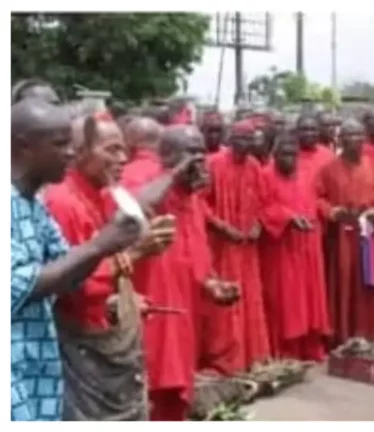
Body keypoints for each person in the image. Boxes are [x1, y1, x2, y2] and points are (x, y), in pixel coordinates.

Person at [11, 99, 142, 421]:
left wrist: (117, 246)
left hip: (37, 364)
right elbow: (20, 286)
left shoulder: (34, 205)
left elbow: (66, 271)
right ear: (23, 147)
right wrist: (99, 246)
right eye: (59, 144)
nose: (71, 153)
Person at [43, 112, 175, 420]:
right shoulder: (63, 202)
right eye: (112, 149)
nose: (123, 158)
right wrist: (136, 254)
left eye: (123, 149)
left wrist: (123, 299)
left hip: (99, 332)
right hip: (79, 344)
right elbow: (72, 284)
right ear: (79, 151)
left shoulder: (100, 195)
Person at [122, 125, 240, 421]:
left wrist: (212, 284)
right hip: (150, 315)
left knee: (174, 398)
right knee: (149, 393)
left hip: (182, 315)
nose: (200, 159)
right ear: (167, 156)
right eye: (191, 152)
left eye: (202, 152)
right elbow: (136, 206)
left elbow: (197, 255)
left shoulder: (192, 197)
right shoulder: (144, 180)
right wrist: (176, 172)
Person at [202, 119, 271, 373]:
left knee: (250, 298)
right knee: (226, 301)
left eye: (249, 139)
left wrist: (258, 225)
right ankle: (227, 360)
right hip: (222, 246)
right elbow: (201, 204)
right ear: (230, 139)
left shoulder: (254, 166)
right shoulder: (213, 164)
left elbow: (264, 201)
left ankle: (252, 356)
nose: (244, 144)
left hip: (246, 247)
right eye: (240, 139)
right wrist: (221, 226)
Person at [317, 119, 374, 345]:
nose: (354, 140)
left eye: (358, 134)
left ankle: (372, 333)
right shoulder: (328, 169)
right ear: (340, 139)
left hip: (371, 233)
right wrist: (332, 211)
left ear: (364, 138)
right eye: (348, 135)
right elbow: (318, 198)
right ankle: (344, 335)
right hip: (343, 236)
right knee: (345, 283)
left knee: (371, 284)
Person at [260, 131, 330, 360]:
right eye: (284, 154)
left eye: (293, 154)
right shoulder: (265, 175)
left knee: (310, 297)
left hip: (308, 244)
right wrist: (288, 217)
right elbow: (261, 207)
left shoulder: (308, 174)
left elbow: (317, 200)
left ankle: (309, 347)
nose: (289, 159)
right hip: (281, 246)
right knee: (285, 299)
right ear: (275, 154)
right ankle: (285, 349)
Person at [295, 115, 334, 184]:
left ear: (319, 131)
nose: (309, 133)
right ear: (296, 131)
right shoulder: (287, 155)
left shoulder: (329, 156)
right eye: (304, 129)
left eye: (313, 129)